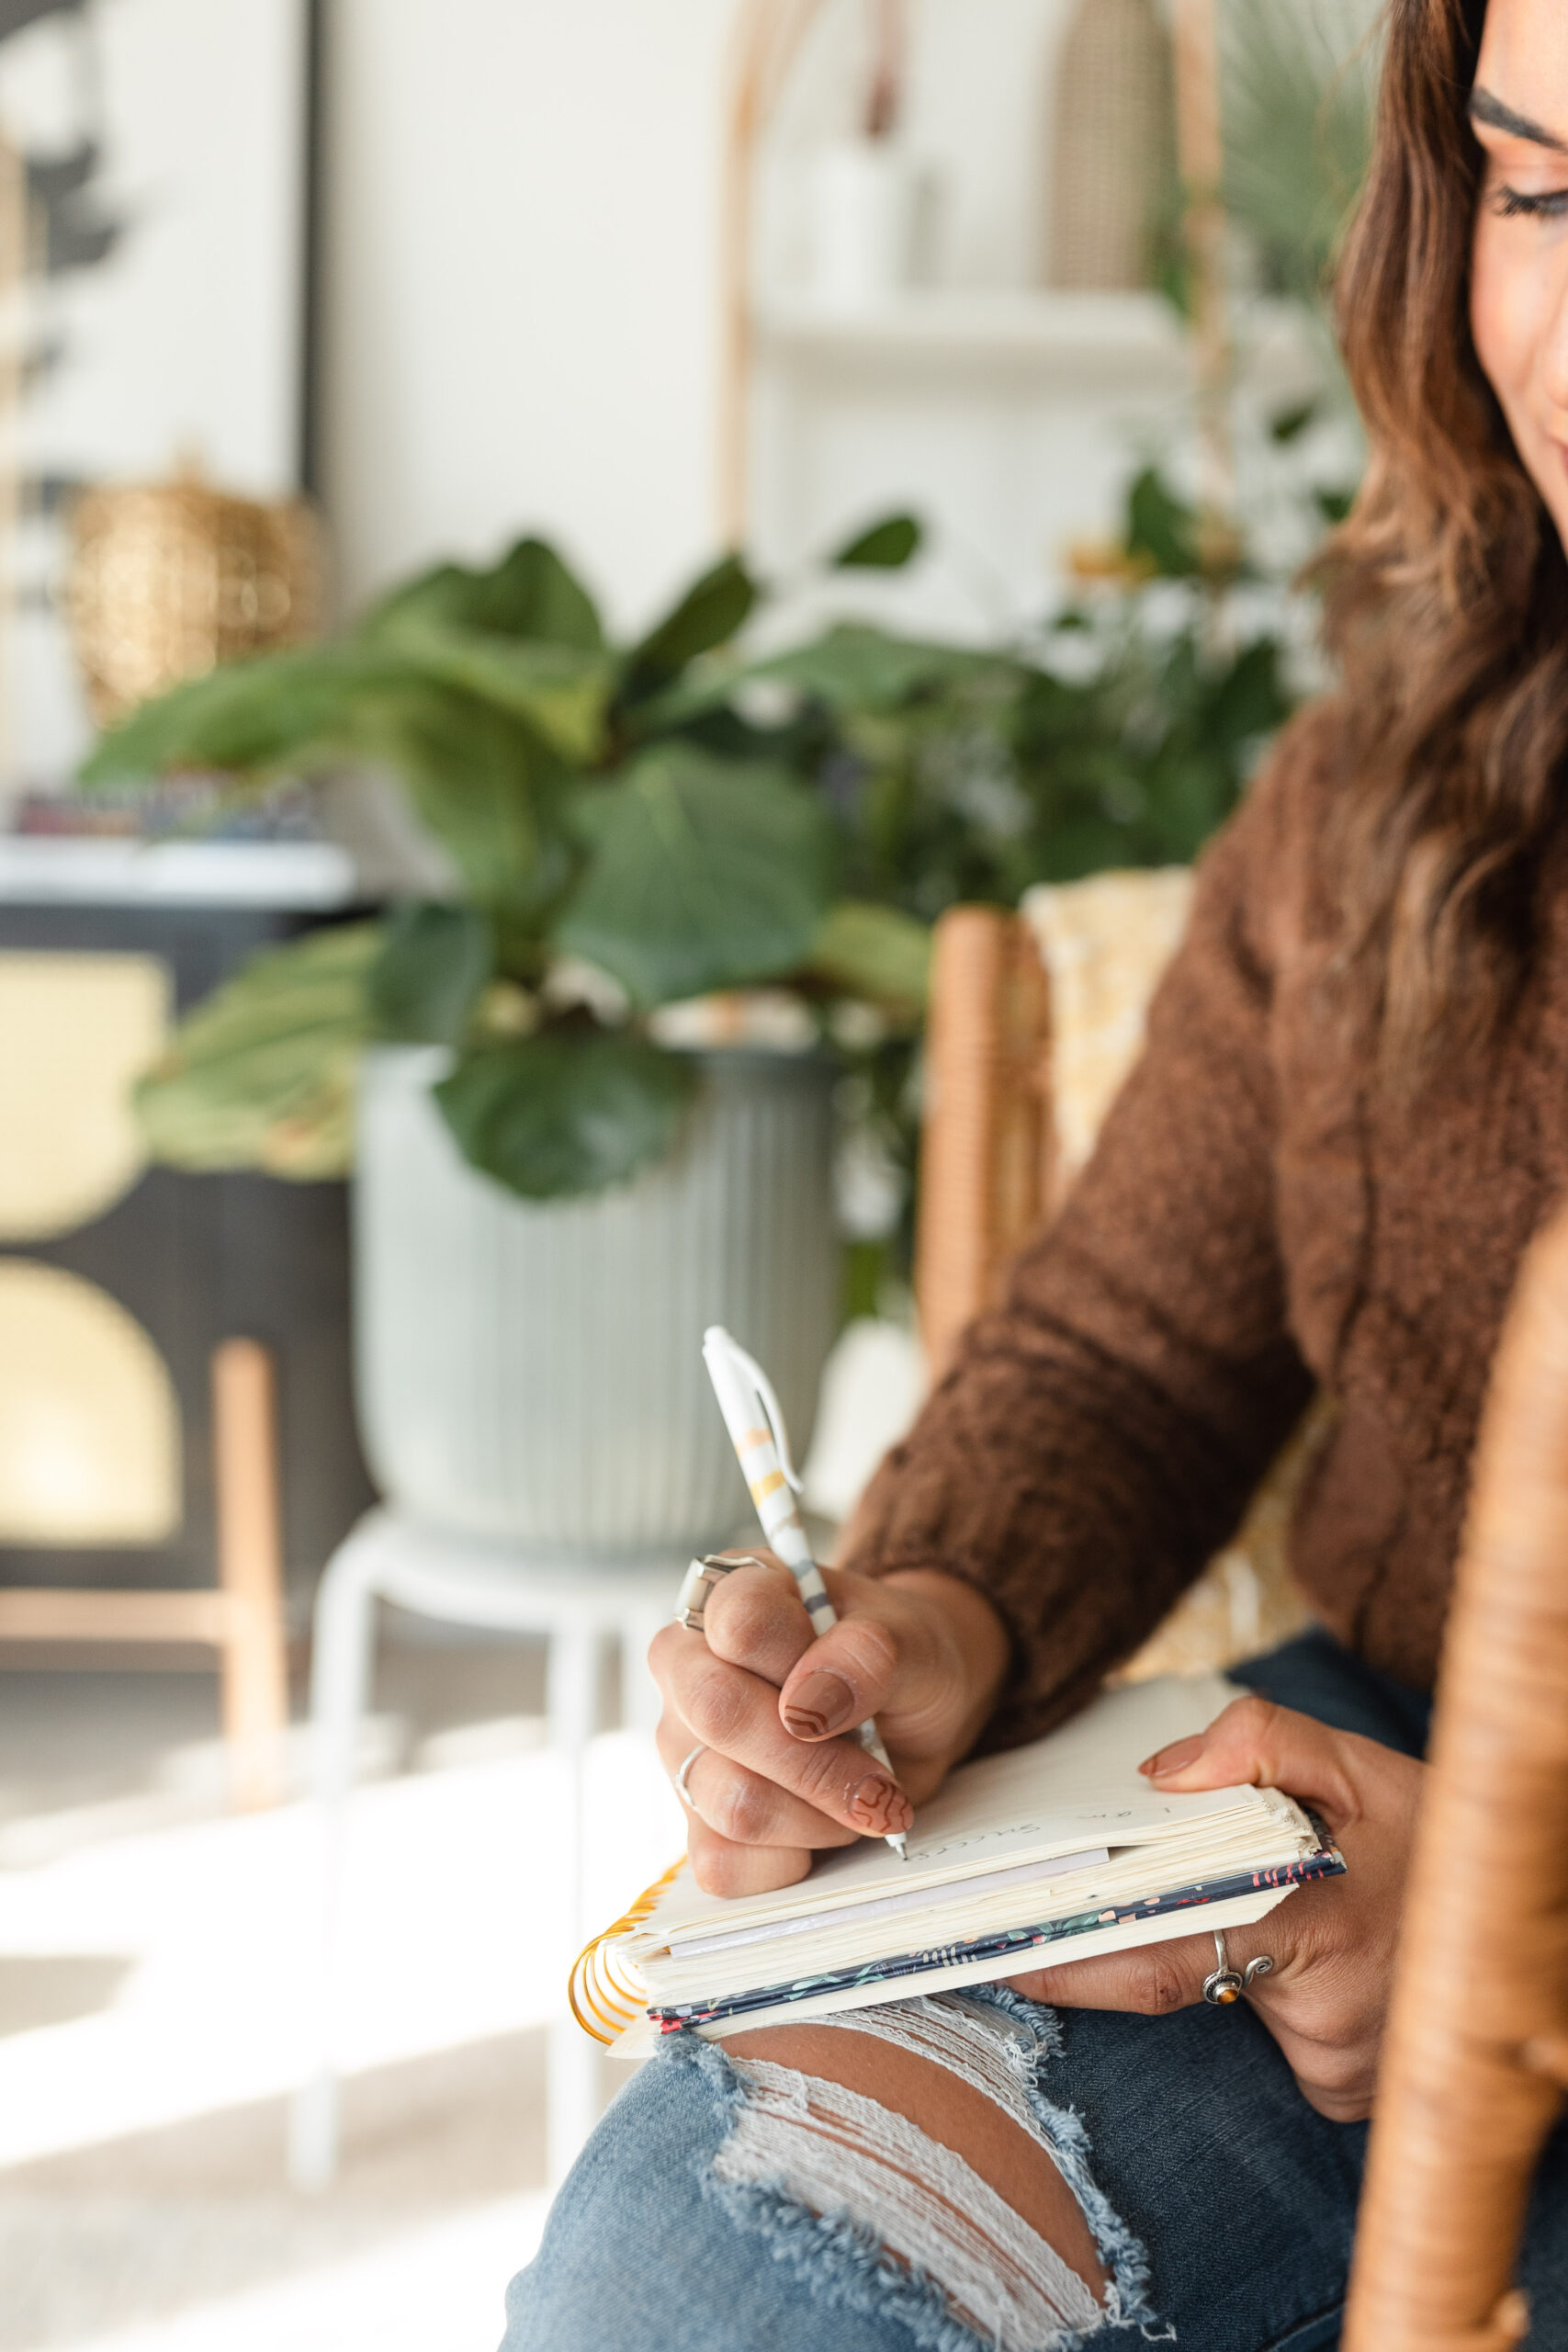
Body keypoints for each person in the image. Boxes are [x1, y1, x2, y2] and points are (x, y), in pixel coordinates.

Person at [504, 1, 1568, 2343]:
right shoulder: (1383, 789)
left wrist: (1526, 1901)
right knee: (699, 2284)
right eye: (1537, 186)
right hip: (1339, 1836)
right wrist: (930, 1627)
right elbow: (1115, 1351)